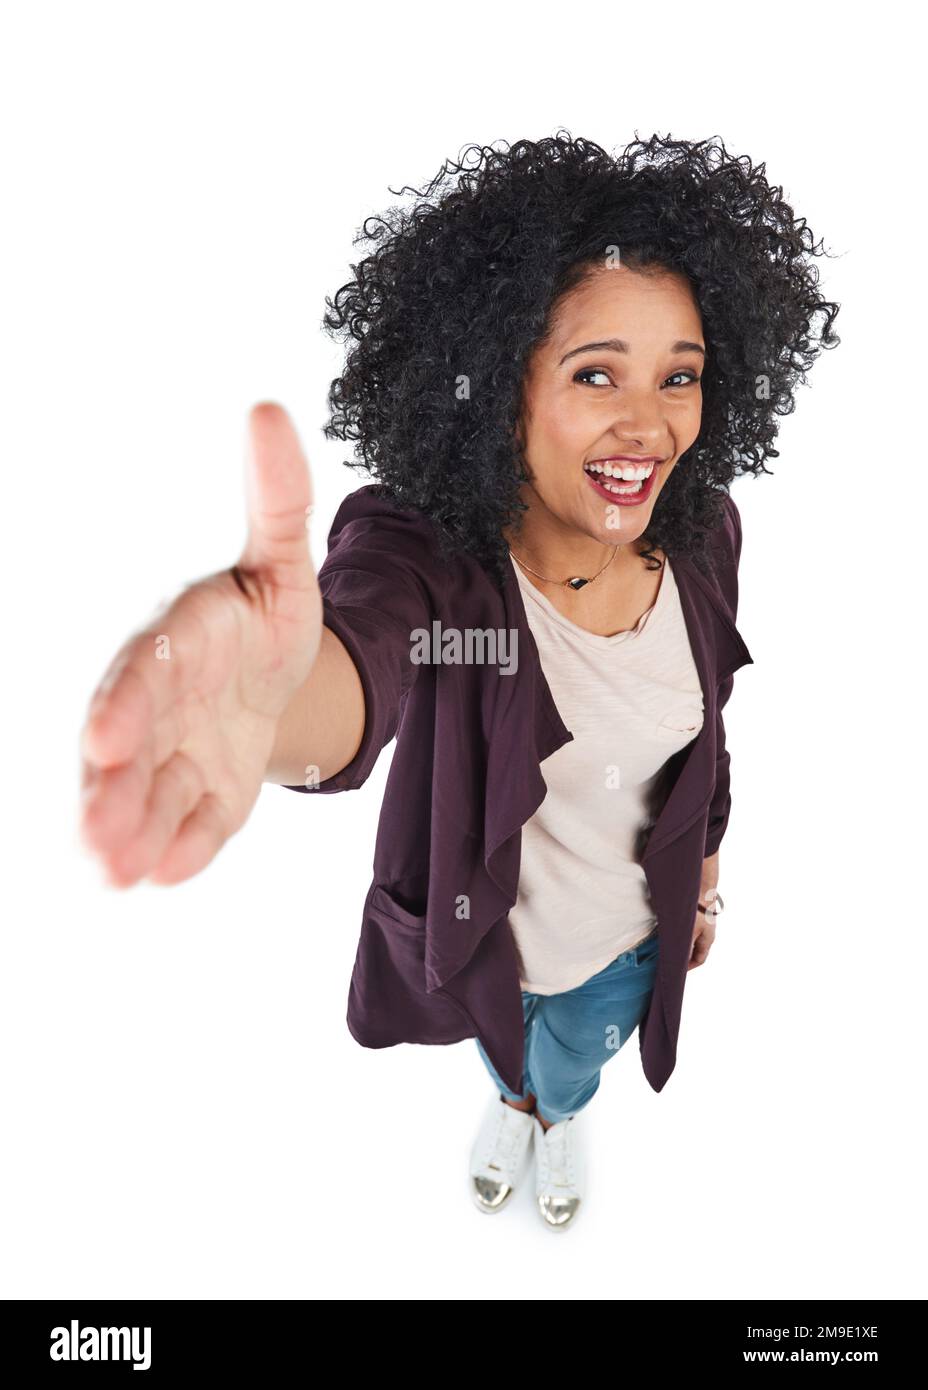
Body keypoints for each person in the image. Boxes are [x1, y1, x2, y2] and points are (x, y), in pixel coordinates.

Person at [79, 132, 840, 1233]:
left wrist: (706, 873)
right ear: (500, 387)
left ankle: (554, 1114)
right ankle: (511, 1102)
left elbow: (705, 728)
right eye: (594, 373)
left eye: (680, 374)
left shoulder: (706, 531)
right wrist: (270, 706)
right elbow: (362, 654)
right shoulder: (436, 563)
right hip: (484, 939)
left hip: (629, 944)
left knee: (572, 1062)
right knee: (500, 1049)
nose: (649, 422)